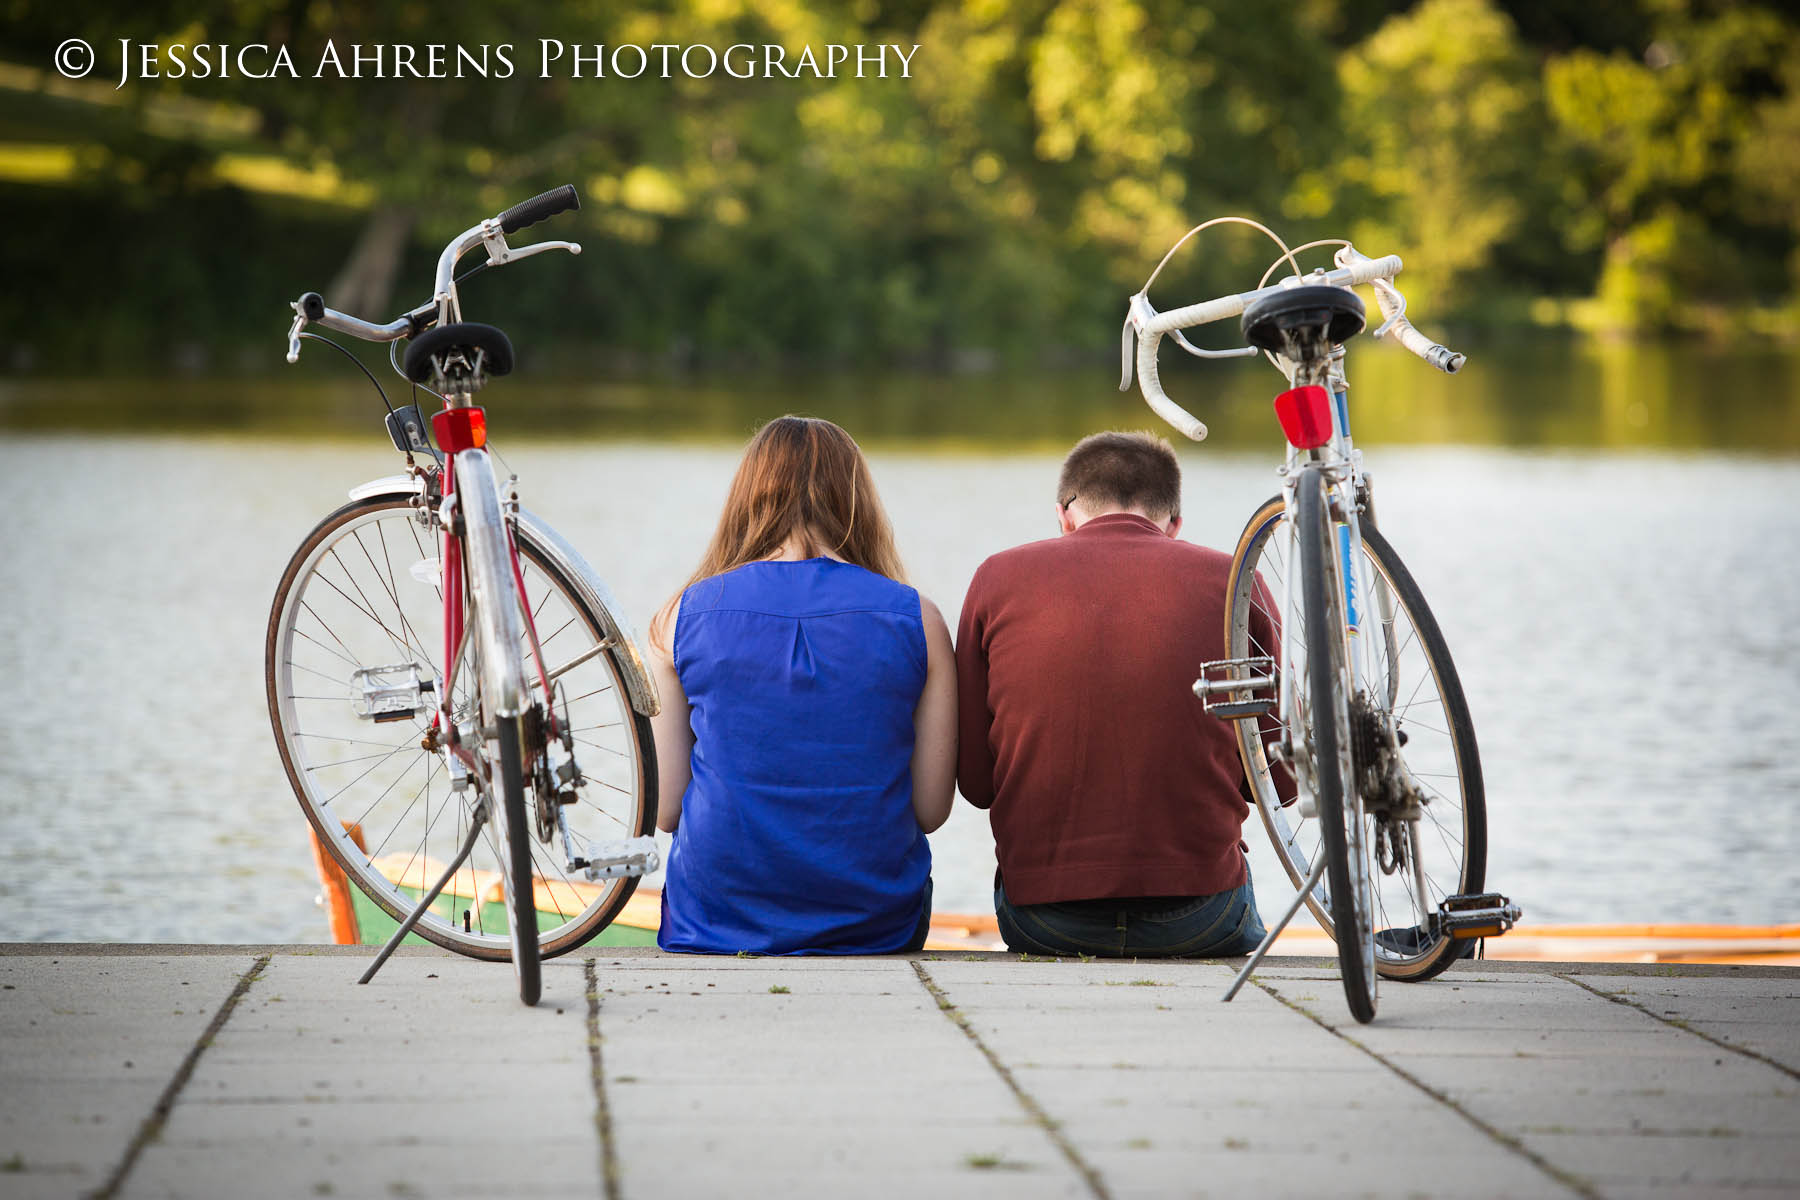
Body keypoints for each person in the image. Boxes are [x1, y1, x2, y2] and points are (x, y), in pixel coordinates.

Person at [954, 430, 1272, 958]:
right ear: (1174, 524)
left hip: (1043, 919)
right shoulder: (1234, 579)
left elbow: (976, 781)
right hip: (1201, 916)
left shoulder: (996, 577)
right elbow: (1277, 778)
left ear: (1063, 513)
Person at [648, 415, 957, 955]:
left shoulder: (680, 616)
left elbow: (665, 809)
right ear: (855, 499)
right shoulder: (919, 619)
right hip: (876, 921)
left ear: (748, 498)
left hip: (714, 918)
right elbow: (931, 809)